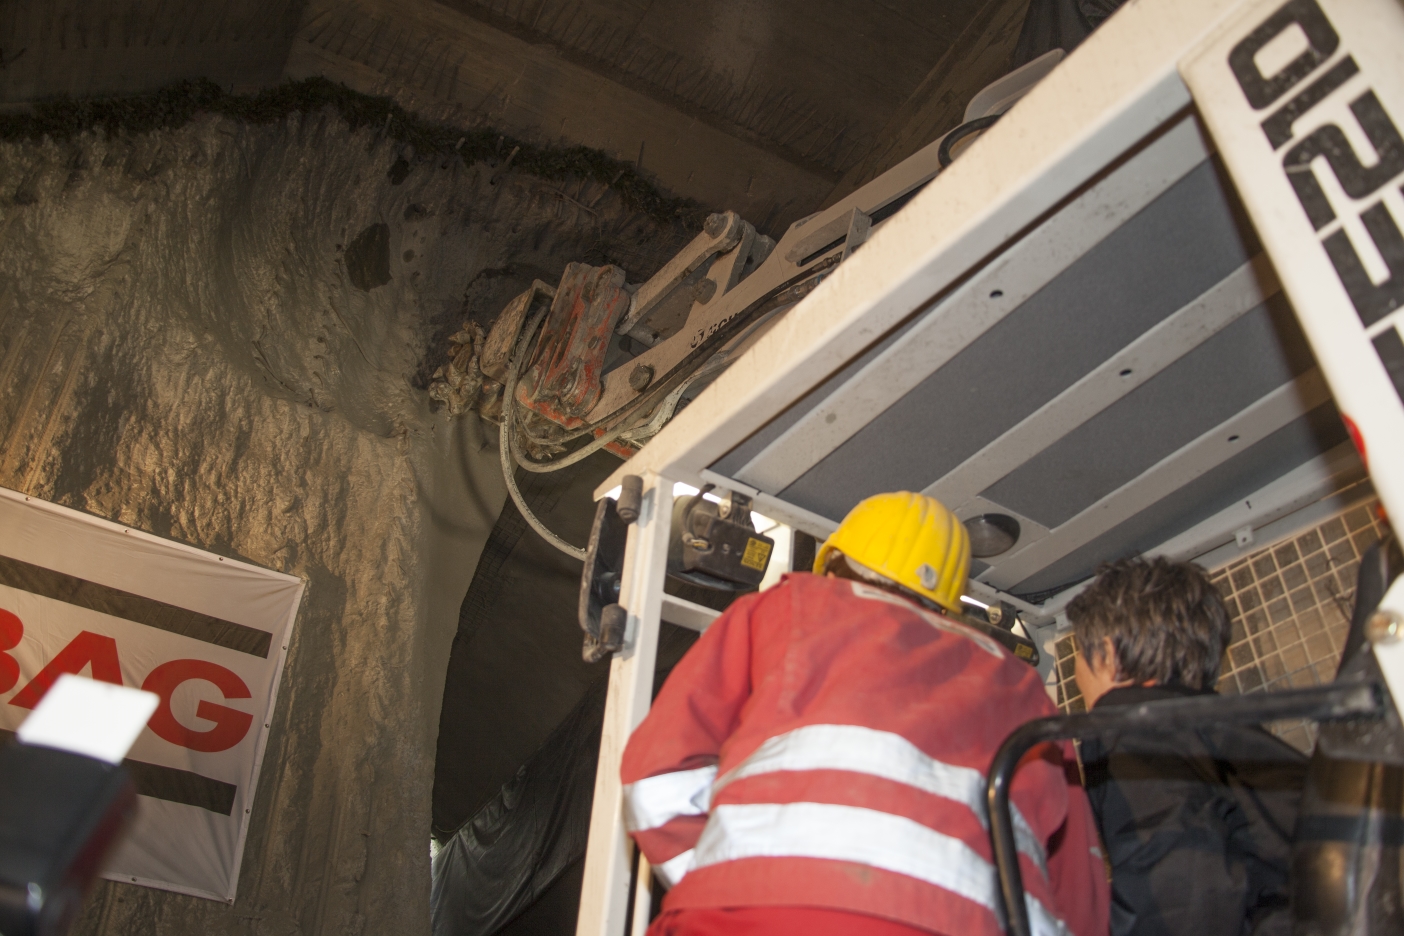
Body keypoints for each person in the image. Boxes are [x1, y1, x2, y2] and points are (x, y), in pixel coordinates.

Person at [621, 492, 1109, 936]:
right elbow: (1076, 881)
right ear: (949, 603)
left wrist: (724, 872)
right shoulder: (1022, 685)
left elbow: (656, 774)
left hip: (752, 913)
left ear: (835, 561)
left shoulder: (786, 607)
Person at [1067, 557, 1307, 936]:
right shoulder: (1241, 739)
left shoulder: (1133, 731)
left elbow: (1176, 894)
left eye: (1077, 655)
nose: (1078, 677)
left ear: (1110, 656)